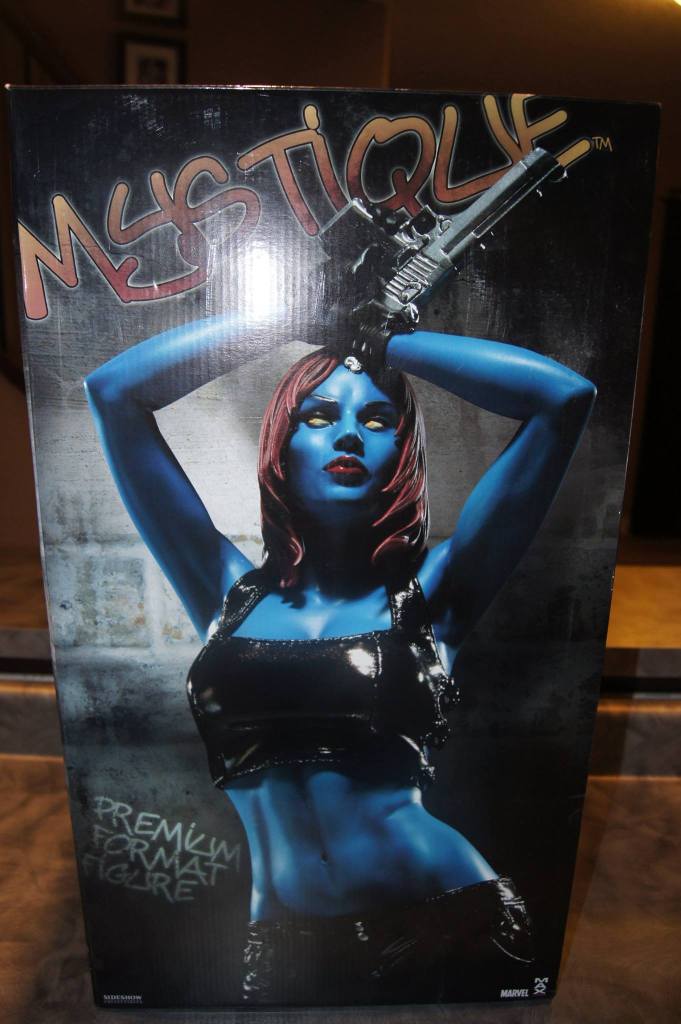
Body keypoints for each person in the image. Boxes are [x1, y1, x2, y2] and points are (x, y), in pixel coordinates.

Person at [85, 305, 595, 1004]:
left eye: (378, 421)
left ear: (401, 457)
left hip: (450, 917)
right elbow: (114, 392)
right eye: (319, 416)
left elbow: (563, 398)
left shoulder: (435, 594)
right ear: (282, 442)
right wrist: (293, 314)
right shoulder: (223, 590)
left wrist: (384, 339)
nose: (349, 434)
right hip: (283, 940)